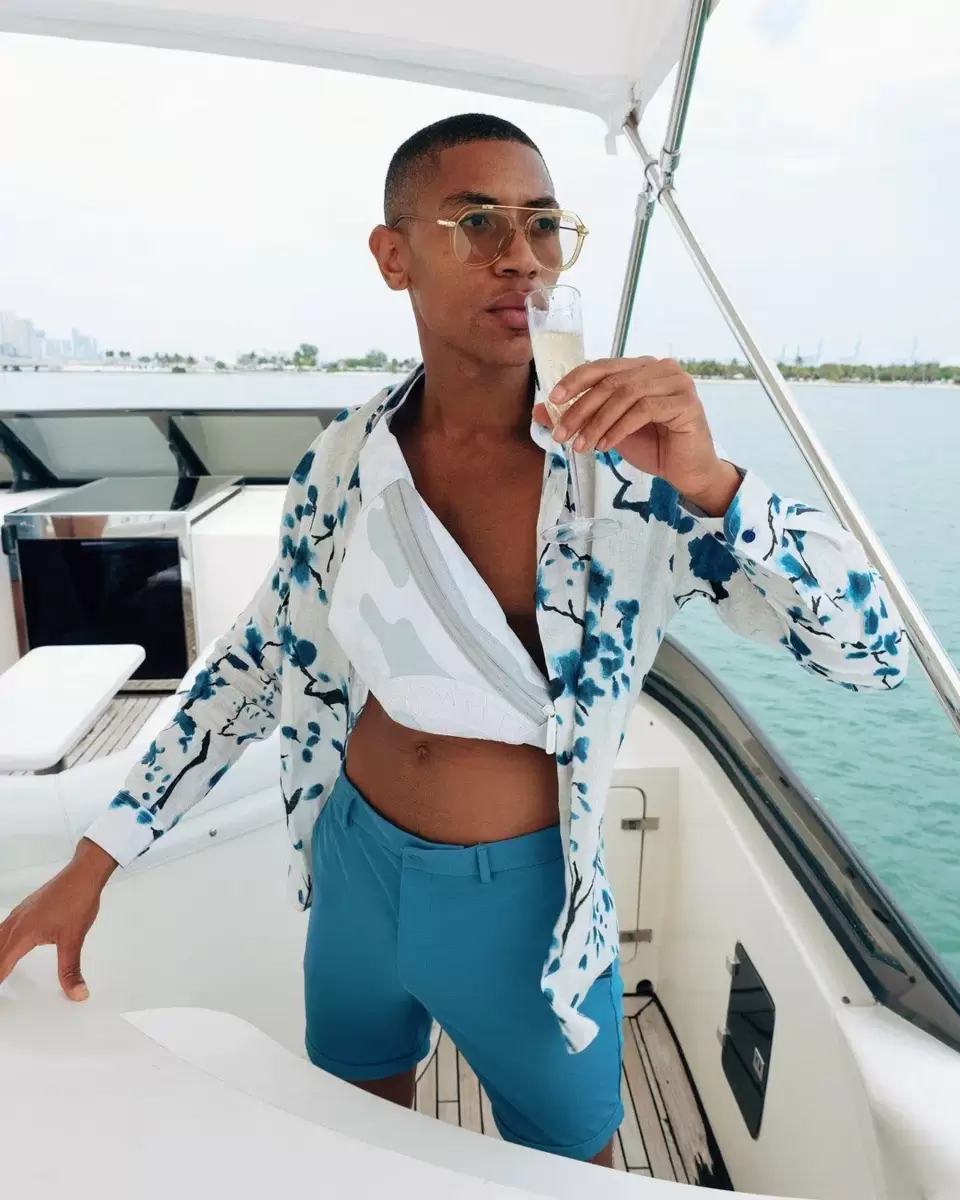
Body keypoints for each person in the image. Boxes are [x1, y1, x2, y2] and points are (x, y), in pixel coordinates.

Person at [0, 113, 907, 1168]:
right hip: (354, 863)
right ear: (394, 257)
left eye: (543, 225)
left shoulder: (632, 474)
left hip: (527, 909)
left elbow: (872, 652)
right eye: (476, 222)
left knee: (572, 1169)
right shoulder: (344, 461)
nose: (521, 255)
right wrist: (95, 860)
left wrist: (715, 485)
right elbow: (252, 667)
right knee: (355, 1137)